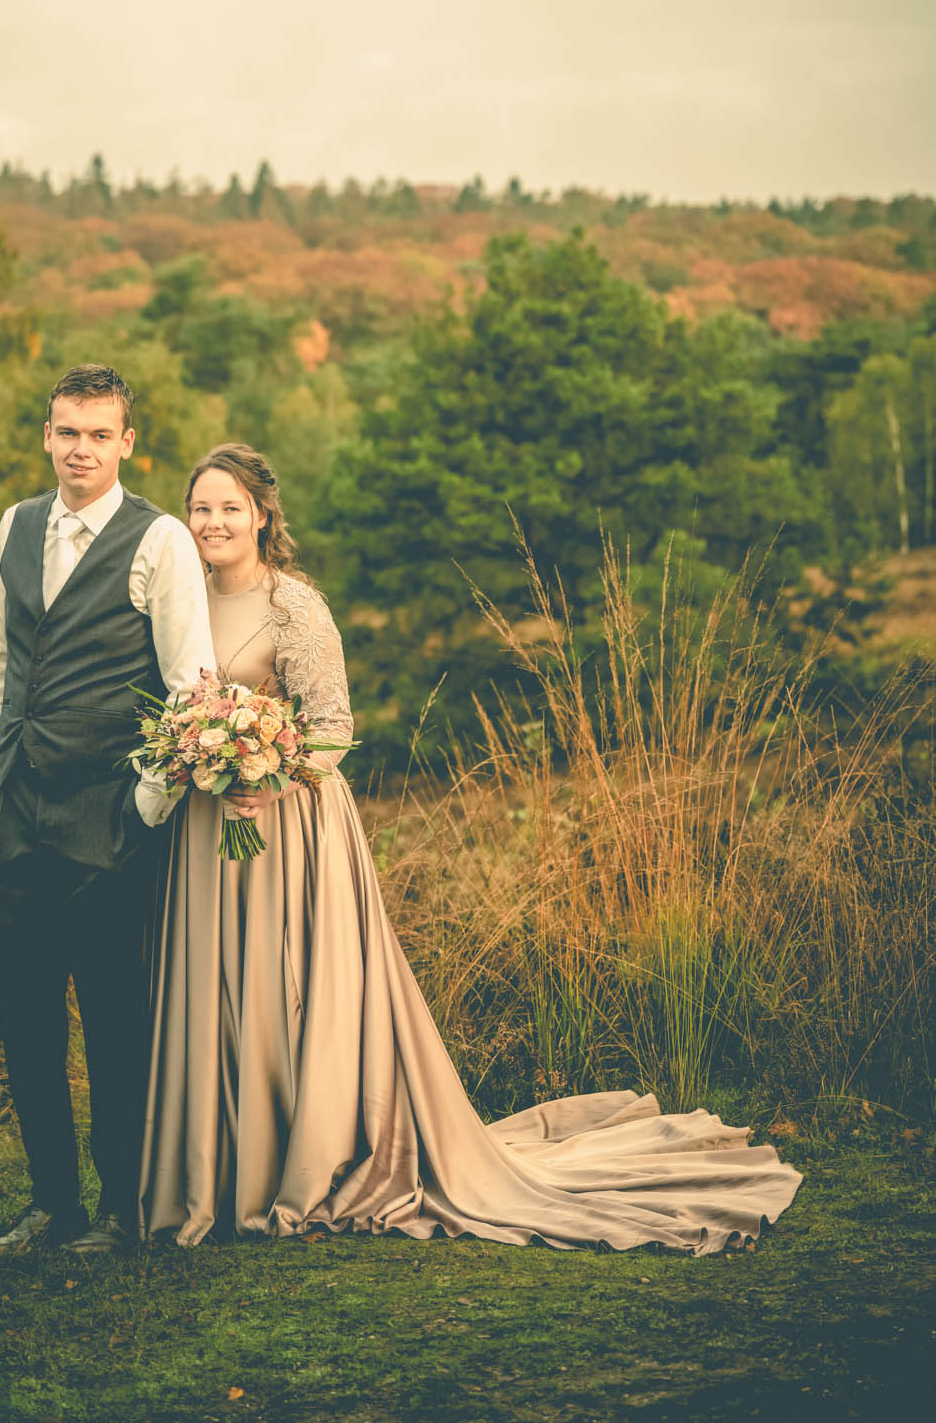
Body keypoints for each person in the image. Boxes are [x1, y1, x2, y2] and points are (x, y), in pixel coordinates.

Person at [140, 443, 802, 1253]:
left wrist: (269, 778)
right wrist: (201, 758)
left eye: (228, 508)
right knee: (220, 990)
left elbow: (334, 729)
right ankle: (222, 1166)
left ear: (263, 516)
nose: (212, 522)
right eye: (199, 508)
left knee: (292, 989)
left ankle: (301, 1164)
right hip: (207, 829)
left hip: (291, 830)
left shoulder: (295, 606)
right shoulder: (177, 602)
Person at [0, 363, 213, 1258]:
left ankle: (119, 1210)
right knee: (24, 1017)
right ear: (46, 434)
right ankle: (50, 1207)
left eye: (99, 434)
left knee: (113, 1025)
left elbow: (193, 690)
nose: (81, 449)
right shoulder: (15, 527)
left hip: (113, 822)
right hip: (18, 818)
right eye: (68, 431)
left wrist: (144, 804)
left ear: (127, 443)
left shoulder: (162, 540)